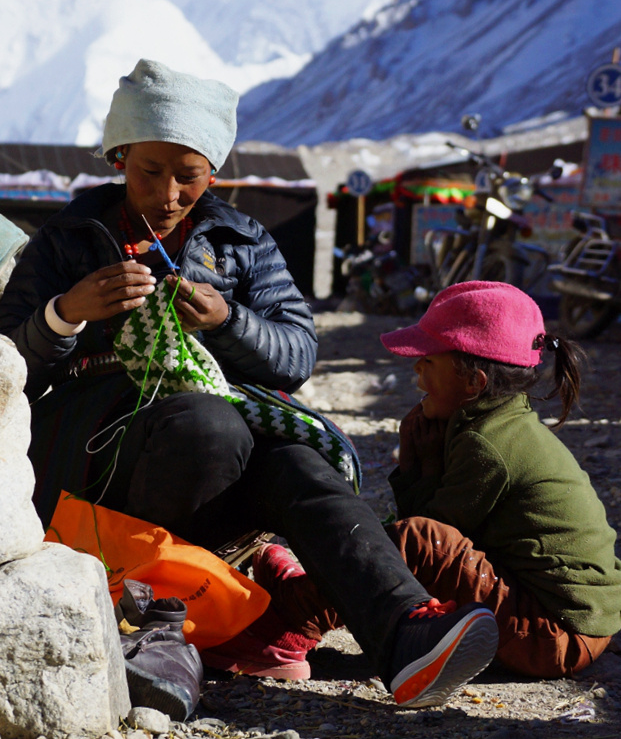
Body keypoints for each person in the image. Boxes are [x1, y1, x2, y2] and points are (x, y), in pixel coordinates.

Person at [0, 59, 498, 711]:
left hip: (219, 451)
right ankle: (166, 609)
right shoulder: (66, 241)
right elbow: (10, 362)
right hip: (97, 461)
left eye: (190, 175)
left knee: (297, 462)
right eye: (150, 171)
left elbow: (296, 355)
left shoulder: (242, 241)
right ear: (119, 157)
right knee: (210, 424)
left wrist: (227, 322)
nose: (169, 193)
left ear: (216, 173)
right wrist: (67, 313)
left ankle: (405, 634)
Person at [254, 280, 621, 680]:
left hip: (555, 636)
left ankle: (287, 623)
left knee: (419, 539)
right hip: (571, 620)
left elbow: (423, 550)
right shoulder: (495, 422)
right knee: (416, 538)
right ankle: (309, 590)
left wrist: (420, 469)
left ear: (474, 383)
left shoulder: (487, 444)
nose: (416, 369)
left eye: (428, 361)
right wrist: (426, 466)